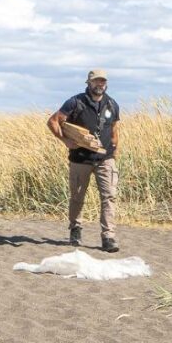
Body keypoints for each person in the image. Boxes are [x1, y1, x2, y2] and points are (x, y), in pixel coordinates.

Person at [46, 69, 122, 252]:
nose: (100, 84)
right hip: (80, 159)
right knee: (77, 197)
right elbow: (53, 121)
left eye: (103, 81)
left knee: (109, 196)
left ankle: (108, 237)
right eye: (96, 81)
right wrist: (65, 140)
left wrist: (114, 153)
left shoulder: (112, 104)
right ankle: (75, 229)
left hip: (105, 159)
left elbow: (114, 130)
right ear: (89, 83)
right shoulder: (75, 102)